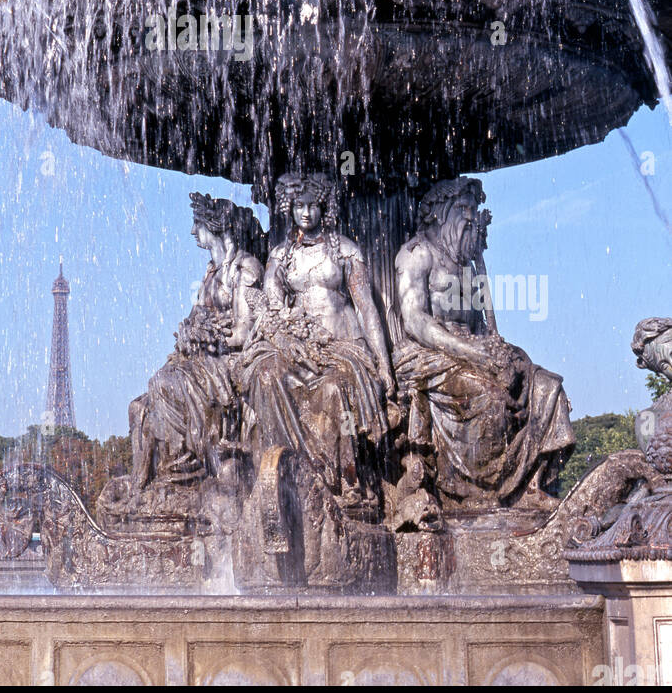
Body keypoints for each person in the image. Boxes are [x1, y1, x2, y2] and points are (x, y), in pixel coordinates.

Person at [393, 177, 574, 514]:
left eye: (474, 211)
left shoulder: (468, 265)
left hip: (473, 348)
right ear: (438, 213)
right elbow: (415, 322)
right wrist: (472, 352)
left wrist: (501, 353)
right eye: (463, 209)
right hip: (431, 353)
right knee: (489, 397)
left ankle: (531, 486)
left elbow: (487, 326)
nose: (471, 218)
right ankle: (474, 495)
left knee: (547, 387)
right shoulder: (417, 254)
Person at [239, 173, 397, 518]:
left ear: (324, 206)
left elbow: (367, 308)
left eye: (312, 205)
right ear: (289, 208)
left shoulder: (345, 249)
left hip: (341, 340)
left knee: (334, 388)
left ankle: (345, 480)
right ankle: (281, 471)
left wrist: (384, 366)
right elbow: (271, 304)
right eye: (299, 206)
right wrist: (280, 332)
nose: (306, 212)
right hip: (298, 342)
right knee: (266, 375)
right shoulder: (280, 257)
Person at [129, 193, 265, 491]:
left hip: (227, 360)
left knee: (164, 383)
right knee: (139, 406)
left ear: (215, 226)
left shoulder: (245, 268)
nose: (193, 232)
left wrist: (207, 338)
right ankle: (152, 478)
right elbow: (195, 321)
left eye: (198, 224)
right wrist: (191, 335)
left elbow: (243, 333)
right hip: (203, 358)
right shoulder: (211, 272)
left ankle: (183, 466)